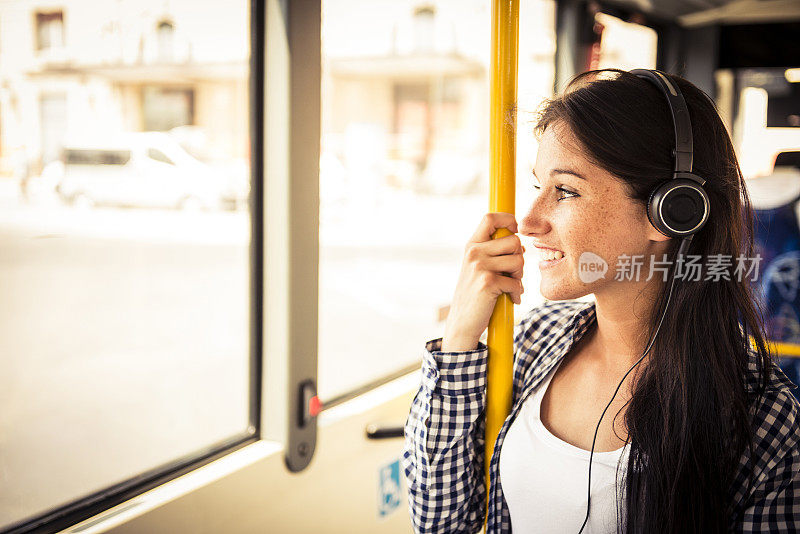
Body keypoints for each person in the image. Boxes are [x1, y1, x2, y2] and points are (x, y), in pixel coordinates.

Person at [401, 68, 800, 533]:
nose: (528, 222)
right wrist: (459, 340)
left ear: (670, 210)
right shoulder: (534, 340)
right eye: (538, 187)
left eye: (565, 191)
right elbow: (441, 522)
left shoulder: (766, 421)